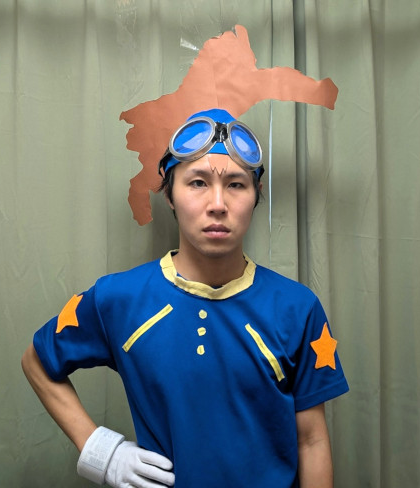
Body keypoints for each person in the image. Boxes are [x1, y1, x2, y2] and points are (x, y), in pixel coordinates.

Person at [21, 108, 349, 488]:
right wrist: (101, 451)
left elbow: (311, 440)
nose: (217, 203)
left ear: (256, 195)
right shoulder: (119, 298)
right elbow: (36, 361)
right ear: (169, 195)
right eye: (197, 183)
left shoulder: (297, 308)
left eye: (236, 184)